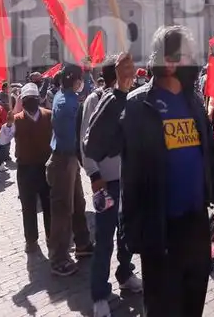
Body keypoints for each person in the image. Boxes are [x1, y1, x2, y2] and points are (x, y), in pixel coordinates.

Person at [86, 26, 214, 317]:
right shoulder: (138, 104)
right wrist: (119, 93)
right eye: (186, 55)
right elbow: (96, 145)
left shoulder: (193, 103)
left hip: (197, 229)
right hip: (159, 233)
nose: (192, 61)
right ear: (169, 60)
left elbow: (208, 159)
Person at [81, 58, 143, 317]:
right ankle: (99, 293)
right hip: (105, 181)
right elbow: (86, 143)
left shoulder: (132, 98)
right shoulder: (95, 101)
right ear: (113, 76)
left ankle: (125, 273)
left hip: (127, 178)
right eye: (125, 71)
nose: (131, 75)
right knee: (105, 238)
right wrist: (94, 175)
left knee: (127, 234)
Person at [46, 63, 93, 277]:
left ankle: (82, 243)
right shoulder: (69, 103)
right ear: (74, 80)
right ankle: (59, 258)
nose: (81, 83)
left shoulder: (63, 96)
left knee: (78, 203)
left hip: (68, 159)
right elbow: (74, 137)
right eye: (80, 79)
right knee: (63, 210)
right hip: (65, 159)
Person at [0, 83, 54, 253]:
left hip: (45, 167)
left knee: (48, 205)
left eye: (34, 99)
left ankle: (51, 236)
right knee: (28, 206)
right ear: (22, 101)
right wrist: (7, 126)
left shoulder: (49, 115)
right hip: (25, 168)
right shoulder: (15, 119)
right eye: (27, 99)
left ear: (39, 99)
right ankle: (31, 240)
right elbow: (3, 140)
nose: (31, 102)